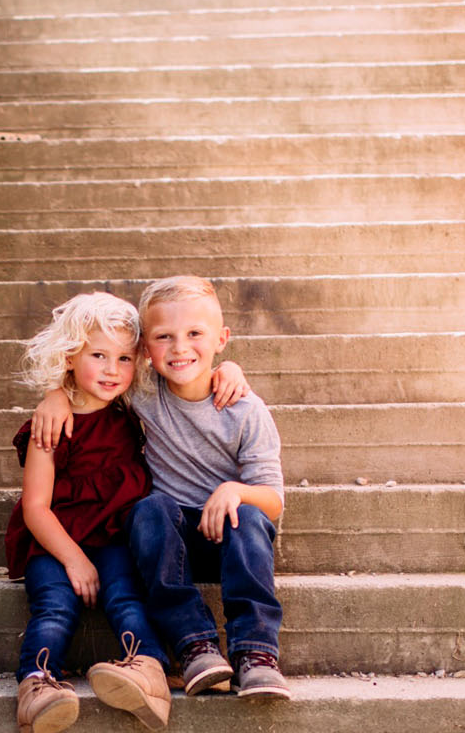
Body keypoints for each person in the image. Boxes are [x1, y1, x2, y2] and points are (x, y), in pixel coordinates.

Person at [34, 276, 288, 702]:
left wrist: (235, 491)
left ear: (222, 339)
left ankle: (256, 655)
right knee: (149, 508)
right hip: (167, 542)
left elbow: (274, 500)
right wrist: (55, 395)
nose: (179, 348)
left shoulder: (247, 410)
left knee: (251, 517)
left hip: (230, 537)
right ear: (145, 352)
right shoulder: (141, 392)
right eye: (163, 337)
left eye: (194, 335)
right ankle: (195, 645)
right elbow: (91, 380)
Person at [5, 292, 170, 733]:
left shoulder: (131, 413)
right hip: (57, 542)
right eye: (98, 355)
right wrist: (75, 560)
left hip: (116, 536)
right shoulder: (50, 425)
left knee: (127, 596)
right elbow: (36, 507)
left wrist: (230, 372)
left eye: (124, 358)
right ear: (70, 357)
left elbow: (190, 380)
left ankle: (148, 672)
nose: (112, 369)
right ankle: (38, 690)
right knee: (55, 606)